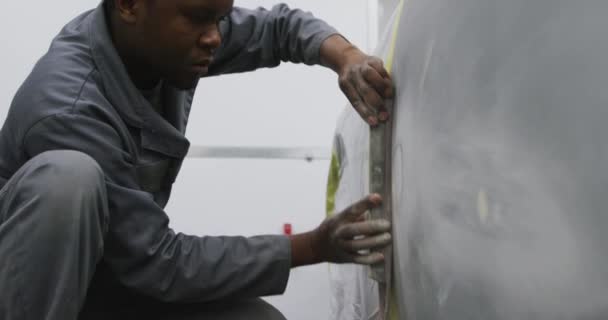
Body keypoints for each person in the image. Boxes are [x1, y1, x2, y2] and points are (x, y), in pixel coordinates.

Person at [0, 0, 394, 319]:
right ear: (129, 5)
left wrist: (347, 57)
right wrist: (311, 246)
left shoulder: (163, 39)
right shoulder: (70, 108)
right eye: (200, 19)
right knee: (68, 179)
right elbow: (157, 262)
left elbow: (278, 28)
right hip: (31, 294)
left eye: (220, 19)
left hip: (110, 281)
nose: (214, 38)